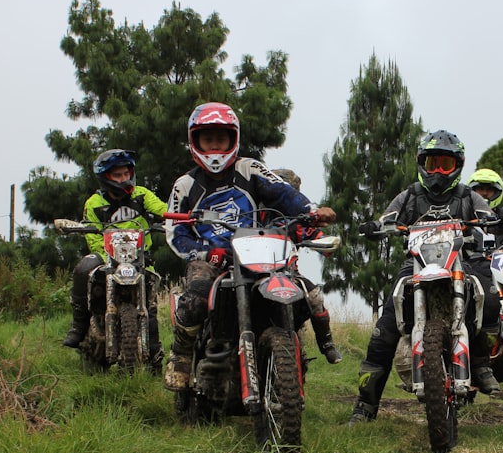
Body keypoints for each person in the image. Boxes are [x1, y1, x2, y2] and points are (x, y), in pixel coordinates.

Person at [163, 102, 336, 392]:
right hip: (210, 259)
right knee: (195, 299)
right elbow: (175, 232)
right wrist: (205, 252)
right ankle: (180, 354)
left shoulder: (250, 169)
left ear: (234, 138)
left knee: (301, 292)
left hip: (255, 253)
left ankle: (291, 350)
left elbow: (284, 194)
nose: (216, 145)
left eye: (221, 138)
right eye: (208, 138)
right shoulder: (185, 184)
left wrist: (313, 211)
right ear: (196, 141)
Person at [348, 129, 499, 424]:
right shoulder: (409, 196)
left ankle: (481, 365)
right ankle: (365, 405)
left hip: (458, 265)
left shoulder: (468, 196)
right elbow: (387, 219)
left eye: (445, 164)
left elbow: (487, 218)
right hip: (414, 267)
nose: (439, 172)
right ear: (421, 164)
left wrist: (494, 220)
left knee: (486, 302)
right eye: (433, 164)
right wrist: (375, 226)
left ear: (458, 165)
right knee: (384, 331)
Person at [63, 149, 168, 370]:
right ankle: (79, 325)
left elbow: (163, 210)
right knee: (83, 268)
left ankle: (155, 355)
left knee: (149, 307)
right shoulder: (94, 203)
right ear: (105, 177)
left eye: (126, 173)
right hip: (107, 257)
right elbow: (91, 234)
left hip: (140, 258)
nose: (123, 179)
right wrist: (104, 252)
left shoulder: (141, 194)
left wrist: (174, 217)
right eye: (117, 175)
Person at [269, 167, 341, 364]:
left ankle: (327, 343)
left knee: (315, 297)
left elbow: (315, 236)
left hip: (289, 275)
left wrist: (325, 243)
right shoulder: (253, 216)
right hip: (255, 273)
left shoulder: (295, 222)